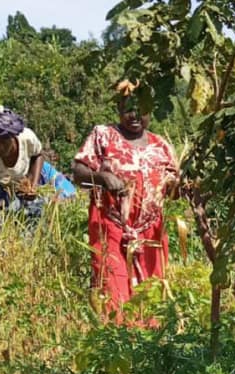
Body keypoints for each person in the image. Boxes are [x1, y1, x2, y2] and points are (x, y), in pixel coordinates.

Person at [72, 81, 179, 323]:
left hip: (151, 236)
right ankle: (118, 352)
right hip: (112, 231)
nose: (135, 115)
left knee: (152, 302)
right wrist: (102, 177)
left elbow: (173, 191)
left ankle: (149, 354)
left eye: (141, 108)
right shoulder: (103, 136)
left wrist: (182, 188)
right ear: (118, 108)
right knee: (114, 298)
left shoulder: (161, 145)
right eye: (128, 107)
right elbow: (78, 174)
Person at [0, 104, 47, 222]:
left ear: (12, 137)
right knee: (4, 218)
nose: (0, 147)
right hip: (3, 188)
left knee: (36, 213)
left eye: (4, 142)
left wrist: (33, 185)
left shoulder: (27, 137)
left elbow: (38, 155)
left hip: (27, 180)